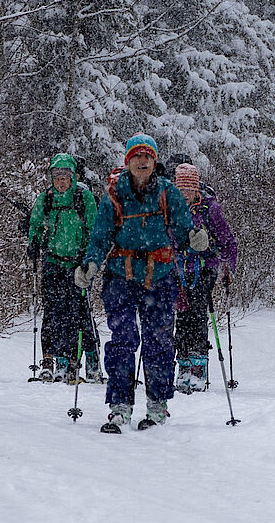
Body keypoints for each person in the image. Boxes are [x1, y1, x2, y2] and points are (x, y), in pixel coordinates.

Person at [76, 133, 203, 432]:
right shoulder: (114, 195)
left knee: (158, 341)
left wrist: (195, 239)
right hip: (121, 276)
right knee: (122, 339)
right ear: (128, 161)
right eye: (137, 156)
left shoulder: (168, 192)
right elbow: (100, 236)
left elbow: (185, 228)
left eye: (147, 156)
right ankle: (120, 405)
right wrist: (91, 263)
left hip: (159, 277)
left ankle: (157, 406)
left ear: (154, 161)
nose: (142, 161)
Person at [27, 153, 100, 383]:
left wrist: (88, 258)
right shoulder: (46, 199)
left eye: (65, 177)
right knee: (54, 312)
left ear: (73, 177)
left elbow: (94, 228)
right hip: (53, 262)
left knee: (78, 312)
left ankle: (79, 359)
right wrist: (33, 243)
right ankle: (56, 360)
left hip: (77, 265)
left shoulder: (83, 198)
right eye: (56, 177)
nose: (60, 182)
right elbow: (36, 223)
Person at [172, 161, 238, 393]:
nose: (186, 195)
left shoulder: (209, 208)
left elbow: (227, 241)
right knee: (181, 317)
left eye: (189, 190)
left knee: (197, 314)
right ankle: (183, 365)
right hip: (178, 271)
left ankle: (199, 367)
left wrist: (227, 265)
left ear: (196, 189)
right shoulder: (170, 208)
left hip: (204, 268)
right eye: (181, 190)